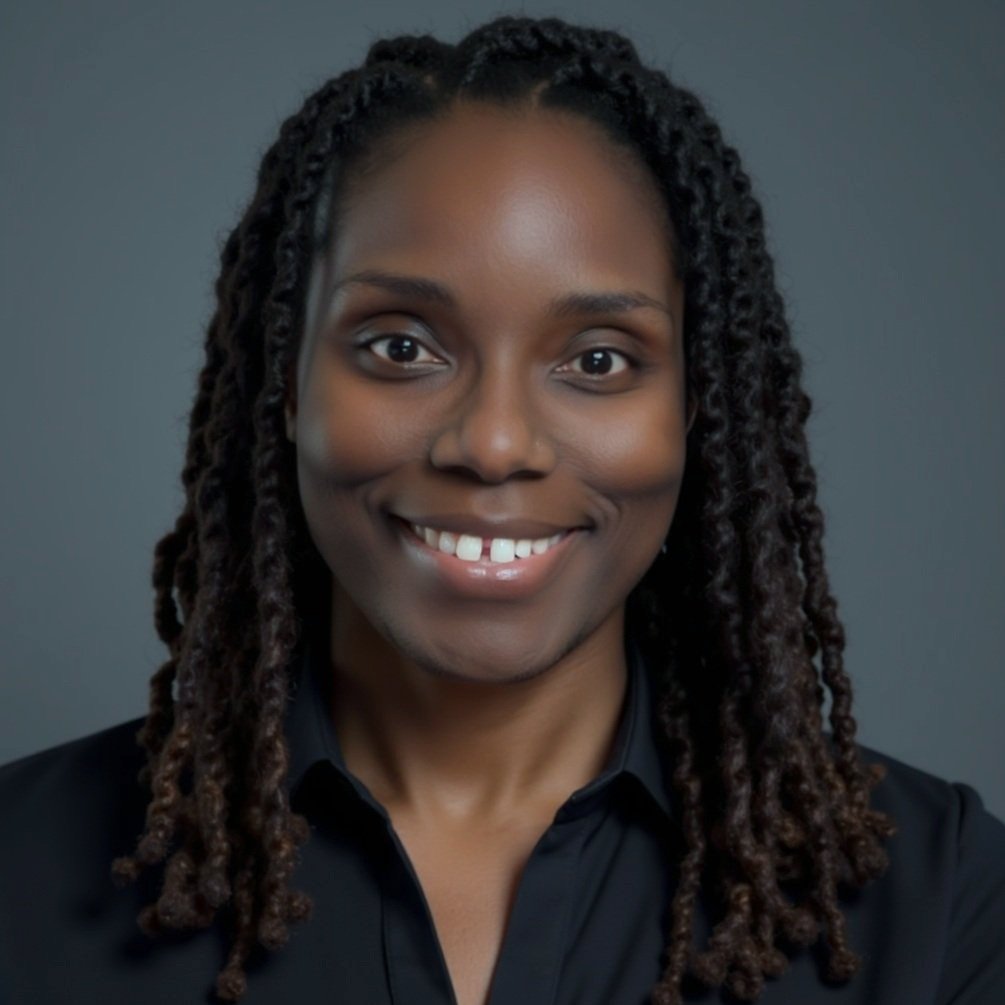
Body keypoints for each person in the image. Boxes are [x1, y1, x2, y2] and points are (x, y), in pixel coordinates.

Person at [1, 14, 1002, 1005]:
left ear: (695, 410)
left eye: (599, 360)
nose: (493, 444)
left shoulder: (942, 904)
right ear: (288, 383)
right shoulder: (19, 876)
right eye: (401, 347)